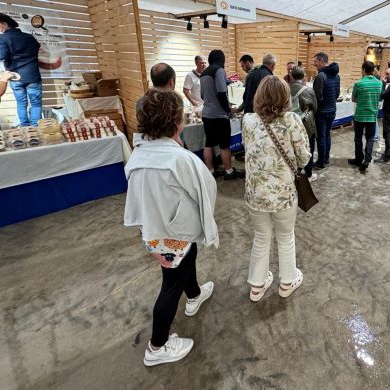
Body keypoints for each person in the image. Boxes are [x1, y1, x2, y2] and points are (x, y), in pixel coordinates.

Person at [124, 88, 218, 366]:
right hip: (174, 233)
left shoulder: (138, 155)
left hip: (154, 232)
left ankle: (195, 294)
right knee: (170, 286)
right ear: (177, 121)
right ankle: (157, 346)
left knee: (185, 260)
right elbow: (205, 190)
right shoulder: (181, 159)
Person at [242, 76, 310, 302]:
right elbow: (304, 157)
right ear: (285, 96)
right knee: (285, 236)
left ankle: (257, 286)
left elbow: (248, 149)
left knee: (261, 237)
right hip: (283, 194)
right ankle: (287, 283)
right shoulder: (291, 120)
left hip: (255, 194)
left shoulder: (248, 120)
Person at [0, 12, 42, 127]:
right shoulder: (29, 37)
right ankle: (36, 128)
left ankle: (25, 128)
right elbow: (37, 47)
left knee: (21, 103)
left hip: (16, 77)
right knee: (36, 104)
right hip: (33, 76)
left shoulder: (2, 38)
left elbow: (1, 55)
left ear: (4, 23)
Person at [200, 49, 243, 179]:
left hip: (207, 114)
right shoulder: (219, 71)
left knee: (209, 143)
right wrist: (228, 110)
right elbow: (221, 92)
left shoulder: (203, 73)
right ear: (221, 59)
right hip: (219, 115)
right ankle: (229, 172)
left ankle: (211, 171)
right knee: (224, 145)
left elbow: (202, 96)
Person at [348, 61, 383, 173]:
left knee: (358, 139)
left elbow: (353, 99)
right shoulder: (379, 84)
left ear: (363, 69)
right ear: (373, 70)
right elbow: (379, 98)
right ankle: (367, 160)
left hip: (360, 115)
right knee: (370, 138)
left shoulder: (358, 84)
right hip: (372, 116)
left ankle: (359, 159)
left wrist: (363, 101)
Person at [312, 52, 340, 169]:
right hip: (332, 110)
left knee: (321, 137)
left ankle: (321, 162)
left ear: (322, 61)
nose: (314, 64)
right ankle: (326, 158)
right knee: (327, 135)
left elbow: (317, 97)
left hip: (322, 112)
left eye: (316, 62)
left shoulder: (321, 76)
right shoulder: (337, 75)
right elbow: (337, 93)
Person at [290, 66, 318, 182]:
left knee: (292, 148)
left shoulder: (285, 88)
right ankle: (308, 174)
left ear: (291, 76)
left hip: (290, 122)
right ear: (304, 76)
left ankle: (294, 172)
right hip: (305, 123)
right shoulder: (308, 90)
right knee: (308, 147)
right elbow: (315, 107)